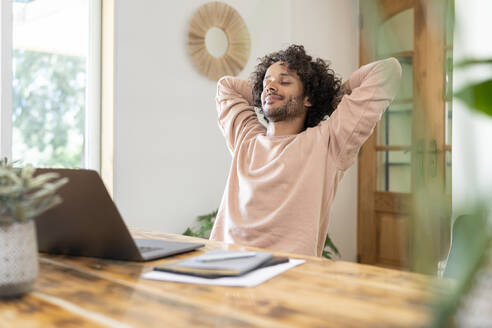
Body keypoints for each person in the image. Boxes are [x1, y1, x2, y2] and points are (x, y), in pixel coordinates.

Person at [210, 44, 402, 257]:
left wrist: (328, 96)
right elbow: (226, 86)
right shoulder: (245, 137)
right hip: (223, 264)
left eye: (284, 81)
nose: (271, 86)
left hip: (287, 274)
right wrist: (268, 93)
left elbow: (388, 71)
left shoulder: (329, 142)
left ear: (308, 98)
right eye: (266, 81)